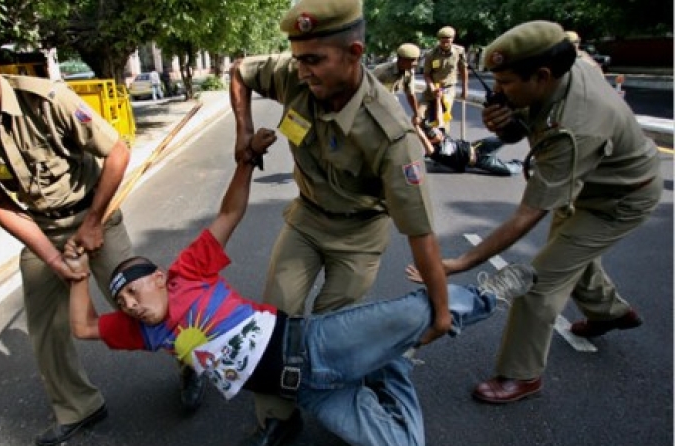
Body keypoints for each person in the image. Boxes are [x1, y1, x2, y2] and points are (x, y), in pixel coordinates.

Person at [63, 127, 538, 446]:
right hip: (311, 393)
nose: (128, 305)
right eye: (122, 301)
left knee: (417, 314)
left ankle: (484, 295)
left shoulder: (189, 272)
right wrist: (81, 273)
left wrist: (246, 162)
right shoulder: (148, 333)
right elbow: (84, 327)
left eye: (134, 291)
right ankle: (392, 363)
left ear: (161, 277)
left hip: (317, 346)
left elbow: (229, 215)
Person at [0, 10, 204, 445]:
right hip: (42, 227)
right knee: (46, 332)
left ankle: (190, 362)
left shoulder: (47, 100)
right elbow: (0, 204)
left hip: (96, 215)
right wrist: (53, 259)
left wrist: (93, 224)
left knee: (151, 307)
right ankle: (80, 407)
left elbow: (116, 153)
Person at [229, 0, 451, 444]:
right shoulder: (293, 73)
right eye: (298, 60)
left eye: (314, 61)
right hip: (306, 220)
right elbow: (239, 70)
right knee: (278, 317)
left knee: (335, 332)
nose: (303, 72)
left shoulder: (391, 135)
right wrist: (242, 131)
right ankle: (278, 416)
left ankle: (354, 389)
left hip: (358, 235)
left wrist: (441, 311)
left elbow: (421, 234)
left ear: (354, 53)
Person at [407, 20, 662, 404]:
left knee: (535, 281)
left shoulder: (575, 127)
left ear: (542, 75)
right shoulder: (562, 66)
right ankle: (609, 312)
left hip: (617, 200)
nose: (500, 92)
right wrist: (509, 126)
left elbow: (528, 214)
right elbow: (527, 123)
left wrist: (461, 261)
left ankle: (520, 375)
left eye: (507, 83)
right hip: (586, 184)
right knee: (569, 252)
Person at [420, 121, 523, 176]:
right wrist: (416, 127)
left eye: (436, 130)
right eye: (434, 133)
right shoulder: (435, 152)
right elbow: (424, 140)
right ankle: (526, 164)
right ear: (431, 140)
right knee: (509, 170)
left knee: (507, 136)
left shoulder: (443, 135)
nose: (438, 132)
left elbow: (440, 117)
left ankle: (529, 130)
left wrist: (438, 98)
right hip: (480, 161)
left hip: (479, 146)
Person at [419, 26, 468, 132]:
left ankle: (443, 138)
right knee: (420, 115)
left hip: (447, 88)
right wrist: (432, 88)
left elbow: (464, 70)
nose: (445, 43)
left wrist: (465, 90)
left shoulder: (459, 52)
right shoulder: (431, 54)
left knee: (442, 115)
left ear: (452, 39)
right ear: (439, 40)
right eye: (442, 40)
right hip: (432, 88)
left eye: (448, 40)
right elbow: (426, 74)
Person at [372, 43, 422, 123]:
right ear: (401, 60)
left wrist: (417, 114)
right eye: (411, 60)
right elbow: (366, 88)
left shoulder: (409, 72)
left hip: (391, 100)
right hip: (374, 102)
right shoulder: (382, 71)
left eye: (416, 60)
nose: (415, 63)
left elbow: (410, 94)